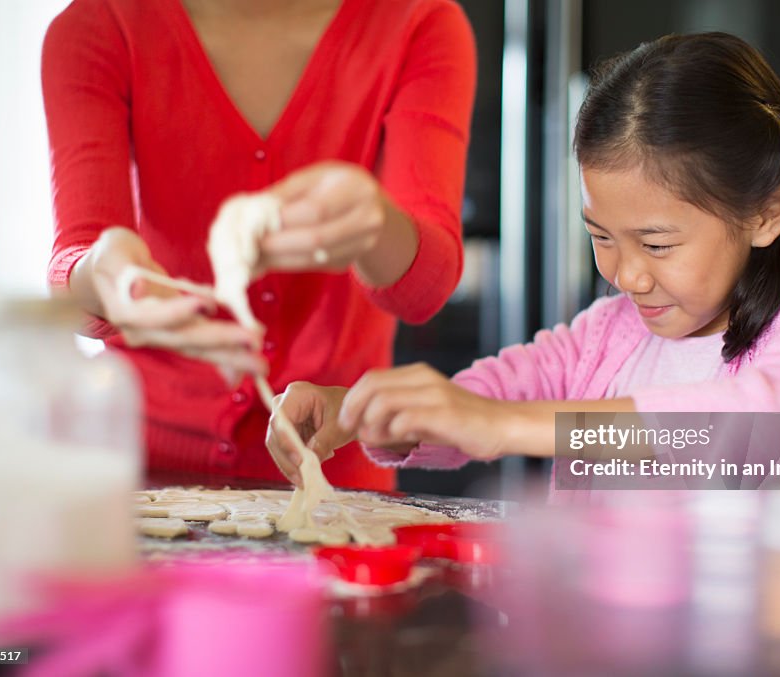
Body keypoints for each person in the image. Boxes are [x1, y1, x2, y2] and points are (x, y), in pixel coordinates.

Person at [269, 32, 780, 488]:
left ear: (766, 212)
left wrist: (507, 427)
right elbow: (493, 394)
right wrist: (368, 412)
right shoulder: (612, 332)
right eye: (601, 236)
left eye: (656, 243)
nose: (627, 276)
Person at [41, 0, 476, 490]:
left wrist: (375, 226)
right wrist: (104, 272)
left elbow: (423, 290)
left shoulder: (418, 23)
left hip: (334, 479)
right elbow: (75, 269)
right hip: (137, 476)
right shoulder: (100, 26)